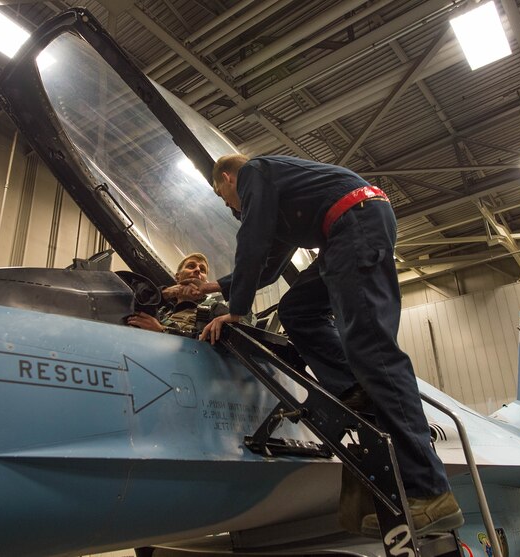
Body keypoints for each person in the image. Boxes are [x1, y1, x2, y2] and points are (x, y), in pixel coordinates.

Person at [197, 154, 463, 537]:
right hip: (350, 227)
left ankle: (432, 492)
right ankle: (352, 388)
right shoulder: (286, 195)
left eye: (224, 197)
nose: (229, 205)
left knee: (373, 351)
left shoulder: (254, 172)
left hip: (354, 225)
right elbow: (269, 265)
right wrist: (213, 286)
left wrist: (237, 312)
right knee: (298, 308)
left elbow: (252, 241)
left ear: (226, 178)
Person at [127, 252, 222, 334]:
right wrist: (164, 293)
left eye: (202, 270)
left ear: (205, 282)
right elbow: (131, 303)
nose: (197, 270)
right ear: (177, 276)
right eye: (191, 266)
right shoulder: (162, 307)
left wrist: (162, 331)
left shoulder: (215, 309)